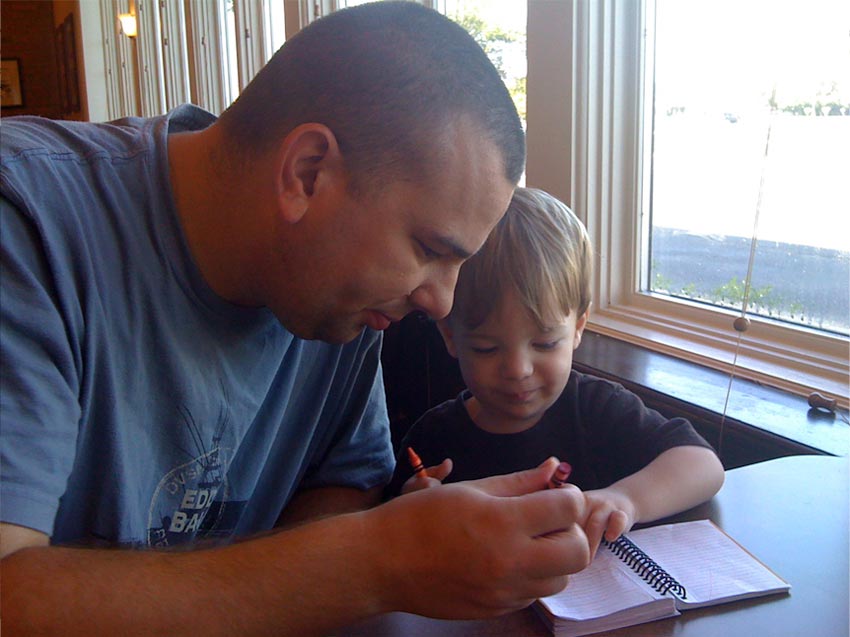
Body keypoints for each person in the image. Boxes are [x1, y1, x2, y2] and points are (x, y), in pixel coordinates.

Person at [0, 3, 592, 634]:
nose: (441, 303)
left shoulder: (342, 304)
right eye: (428, 250)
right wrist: (379, 560)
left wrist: (399, 542)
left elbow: (343, 486)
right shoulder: (28, 226)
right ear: (307, 173)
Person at [386, 187, 725, 556]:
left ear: (578, 327)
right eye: (486, 348)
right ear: (450, 337)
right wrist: (409, 512)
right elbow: (383, 534)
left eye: (546, 344)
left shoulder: (596, 408)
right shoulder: (433, 438)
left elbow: (703, 464)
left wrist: (626, 499)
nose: (517, 370)